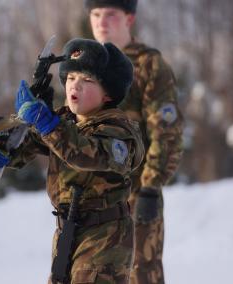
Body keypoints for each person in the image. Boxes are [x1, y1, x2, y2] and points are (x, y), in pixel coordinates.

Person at [0, 38, 145, 283]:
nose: (74, 86)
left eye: (87, 80)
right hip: (68, 231)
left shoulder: (120, 130)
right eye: (70, 78)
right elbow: (34, 142)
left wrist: (48, 124)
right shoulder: (66, 120)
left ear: (108, 95)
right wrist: (5, 149)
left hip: (105, 236)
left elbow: (86, 153)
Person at [84, 1, 184, 283]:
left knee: (141, 275)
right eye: (95, 14)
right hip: (92, 201)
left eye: (110, 14)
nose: (102, 21)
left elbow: (167, 132)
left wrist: (151, 187)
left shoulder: (149, 64)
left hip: (136, 198)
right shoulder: (83, 67)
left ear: (129, 18)